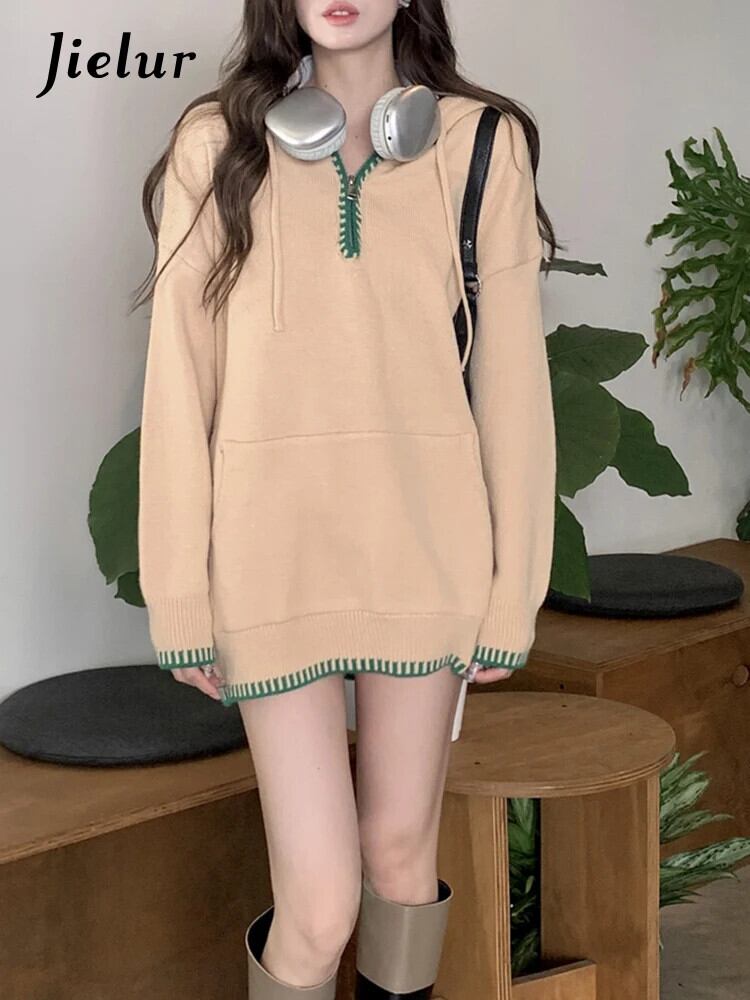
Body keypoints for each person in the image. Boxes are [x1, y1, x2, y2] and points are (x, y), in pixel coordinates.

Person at [133, 1, 558, 997]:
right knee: (320, 904)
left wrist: (514, 591)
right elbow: (179, 378)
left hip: (425, 550)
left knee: (401, 859)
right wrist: (179, 592)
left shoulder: (479, 144)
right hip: (271, 558)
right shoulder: (217, 145)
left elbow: (513, 386)